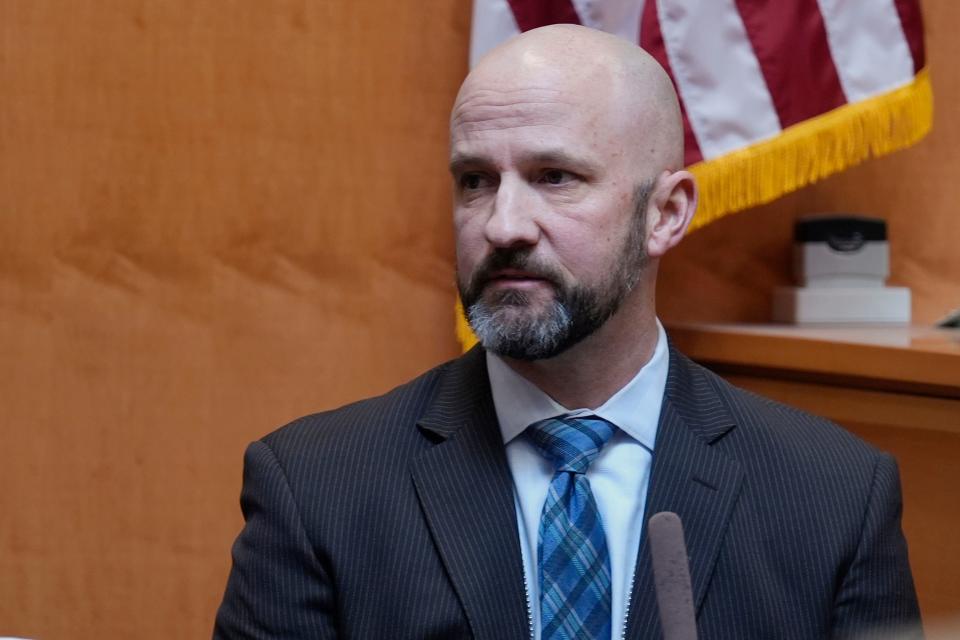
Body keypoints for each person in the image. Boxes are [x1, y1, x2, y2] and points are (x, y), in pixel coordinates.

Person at [214, 24, 920, 639]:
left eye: (555, 177)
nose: (502, 225)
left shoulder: (833, 498)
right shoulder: (315, 491)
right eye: (475, 181)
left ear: (667, 214)